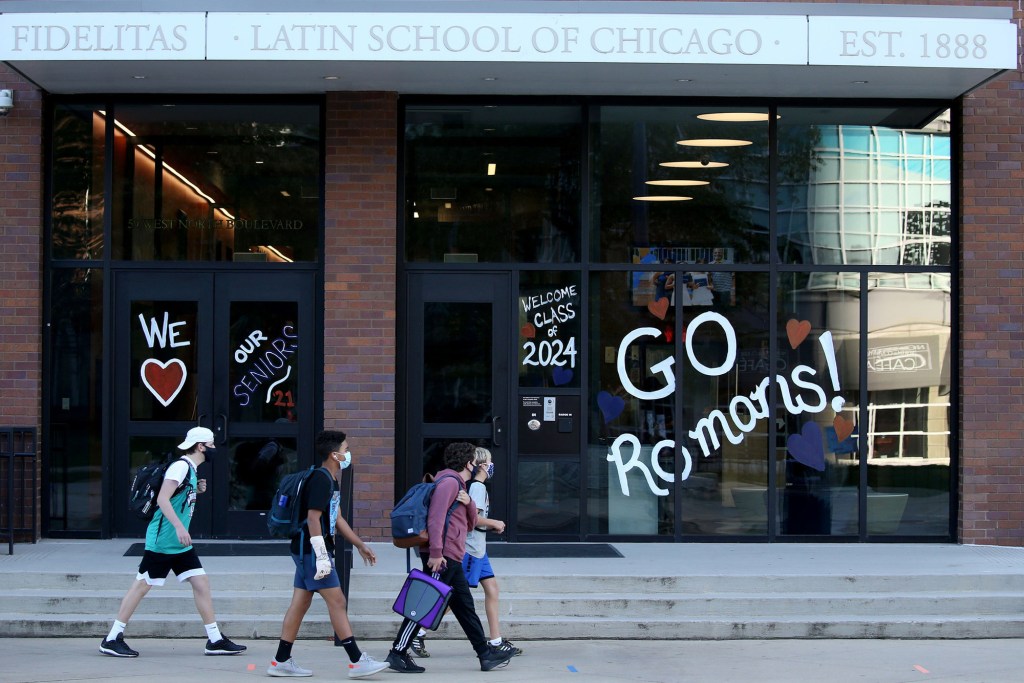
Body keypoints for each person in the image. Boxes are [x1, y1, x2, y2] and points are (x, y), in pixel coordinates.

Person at [100, 426, 246, 658]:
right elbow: (162, 499)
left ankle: (215, 639)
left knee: (201, 583)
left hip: (179, 544)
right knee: (142, 585)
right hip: (164, 540)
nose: (214, 448)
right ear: (200, 447)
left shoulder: (190, 469)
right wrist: (179, 526)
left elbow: (178, 496)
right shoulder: (180, 466)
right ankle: (112, 638)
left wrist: (195, 489)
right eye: (211, 444)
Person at [386, 442, 515, 674]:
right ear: (469, 464)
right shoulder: (448, 483)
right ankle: (397, 652)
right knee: (424, 604)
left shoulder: (459, 486)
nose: (478, 467)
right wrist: (435, 553)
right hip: (442, 556)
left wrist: (469, 503)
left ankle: (486, 655)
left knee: (465, 607)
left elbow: (471, 523)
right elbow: (435, 520)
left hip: (453, 555)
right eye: (476, 463)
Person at [267, 429, 387, 679]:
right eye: (345, 449)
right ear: (334, 454)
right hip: (312, 551)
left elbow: (337, 517)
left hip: (305, 551)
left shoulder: (329, 479)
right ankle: (357, 660)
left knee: (299, 604)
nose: (348, 453)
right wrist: (322, 556)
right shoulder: (321, 480)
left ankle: (281, 661)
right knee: (338, 602)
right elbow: (313, 518)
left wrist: (359, 544)